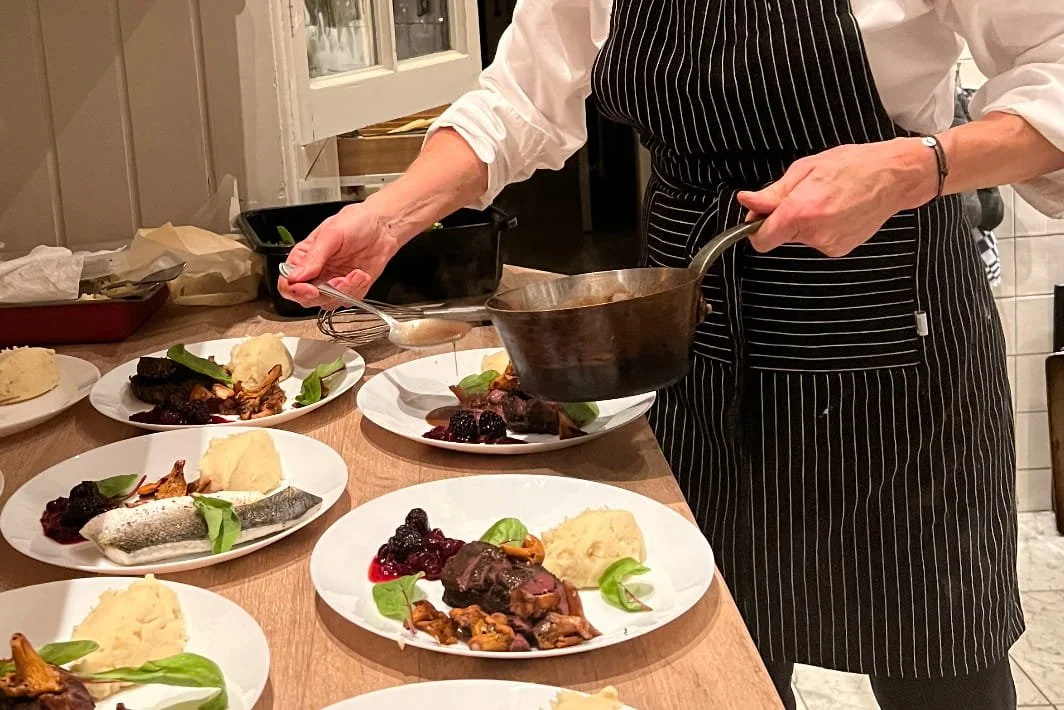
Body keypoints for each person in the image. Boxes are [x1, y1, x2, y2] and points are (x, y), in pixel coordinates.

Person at [281, 2, 1064, 708]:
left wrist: (914, 166)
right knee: (711, 646)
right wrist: (386, 219)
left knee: (938, 654)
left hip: (888, 323)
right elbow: (518, 99)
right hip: (685, 330)